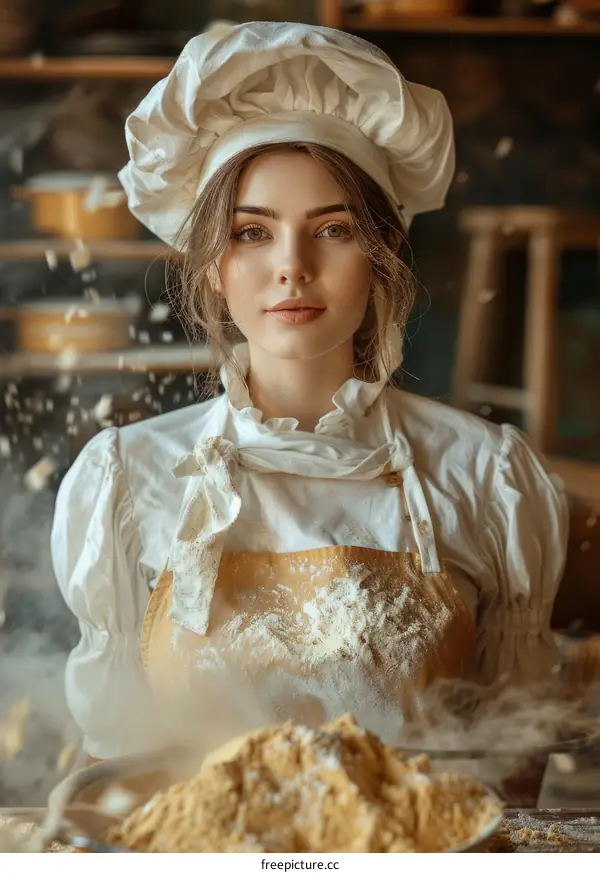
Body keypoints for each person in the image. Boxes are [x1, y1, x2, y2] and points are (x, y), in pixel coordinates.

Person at [51, 22, 568, 760]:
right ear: (210, 269)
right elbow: (120, 765)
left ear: (384, 257)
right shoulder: (126, 480)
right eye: (253, 233)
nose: (291, 267)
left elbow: (514, 767)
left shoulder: (484, 476)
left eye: (332, 229)